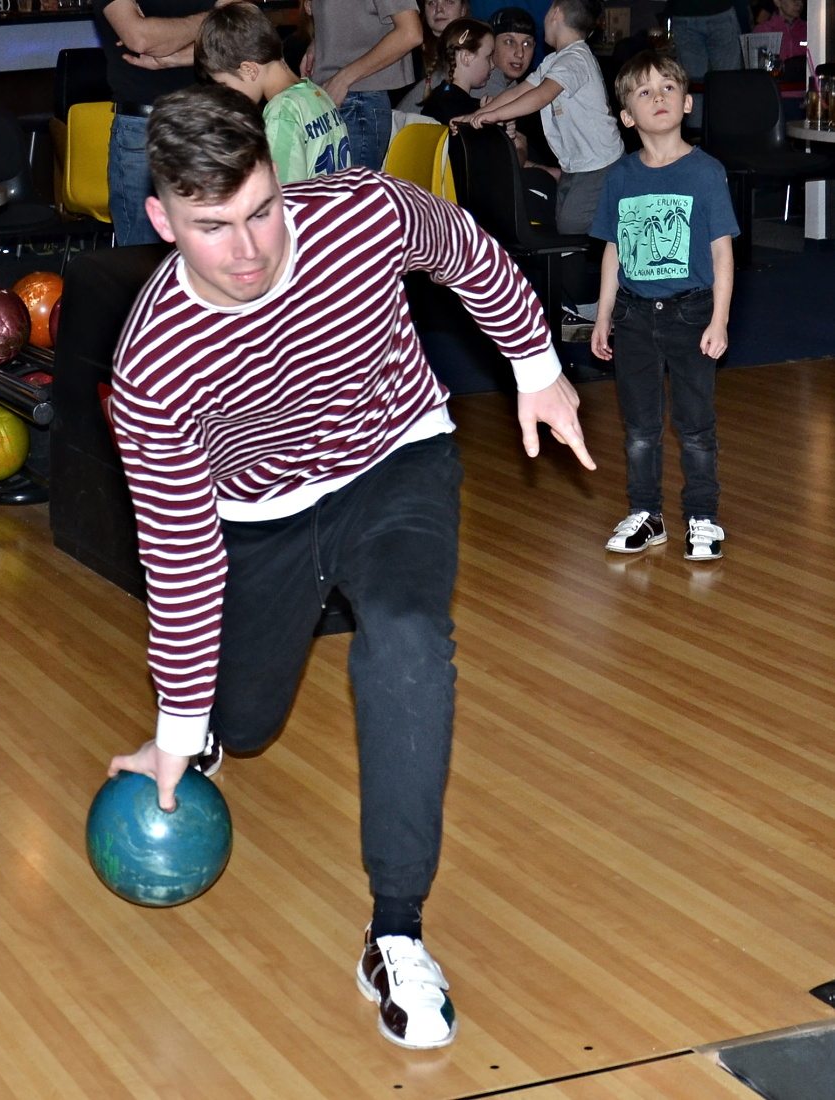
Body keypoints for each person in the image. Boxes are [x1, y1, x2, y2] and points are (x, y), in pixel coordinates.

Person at [105, 84, 594, 1051]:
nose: (250, 250)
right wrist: (176, 729)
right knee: (243, 726)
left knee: (408, 642)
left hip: (394, 458)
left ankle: (396, 930)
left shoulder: (361, 212)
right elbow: (179, 555)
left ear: (278, 181)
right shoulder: (152, 368)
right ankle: (213, 732)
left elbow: (466, 249)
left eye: (261, 211)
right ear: (163, 222)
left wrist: (537, 367)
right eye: (213, 228)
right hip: (258, 516)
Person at [589, 52, 736, 561]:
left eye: (669, 88)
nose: (658, 97)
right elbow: (614, 250)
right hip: (632, 315)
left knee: (695, 426)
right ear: (627, 116)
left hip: (691, 313)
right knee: (639, 428)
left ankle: (703, 516)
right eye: (644, 92)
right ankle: (646, 514)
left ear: (687, 103)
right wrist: (602, 315)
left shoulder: (705, 172)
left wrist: (719, 319)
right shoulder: (620, 176)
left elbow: (722, 253)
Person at [458, 0, 622, 323]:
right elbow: (521, 91)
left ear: (555, 13)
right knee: (563, 227)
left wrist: (493, 116)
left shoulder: (576, 58)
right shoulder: (557, 60)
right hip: (578, 166)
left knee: (572, 229)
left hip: (601, 165)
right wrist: (476, 115)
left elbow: (540, 96)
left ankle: (590, 303)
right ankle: (583, 299)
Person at [95, 0, 226, 245]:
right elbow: (140, 39)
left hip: (211, 123)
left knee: (214, 246)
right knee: (142, 256)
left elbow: (241, 31)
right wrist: (216, 18)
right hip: (145, 129)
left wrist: (172, 55)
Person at [195, 2, 350, 184]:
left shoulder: (281, 113)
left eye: (225, 84)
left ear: (249, 70)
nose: (226, 94)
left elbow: (284, 190)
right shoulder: (317, 93)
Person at [302, 0, 423, 171]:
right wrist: (322, 43)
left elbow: (410, 33)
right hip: (340, 99)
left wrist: (343, 79)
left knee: (350, 188)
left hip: (357, 102)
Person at [667, 0, 744, 126]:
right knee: (728, 84)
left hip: (683, 11)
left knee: (693, 87)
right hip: (719, 10)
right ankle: (729, 132)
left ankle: (696, 133)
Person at [395, 0, 470, 114]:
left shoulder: (478, 47)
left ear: (463, 9)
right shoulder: (409, 53)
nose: (439, 9)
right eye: (431, 3)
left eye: (449, 2)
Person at [421, 18, 496, 123]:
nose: (493, 65)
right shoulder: (457, 108)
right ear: (466, 57)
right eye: (488, 57)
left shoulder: (442, 95)